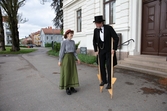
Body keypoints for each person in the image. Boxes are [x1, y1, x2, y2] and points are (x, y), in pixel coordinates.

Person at [93, 15, 119, 89]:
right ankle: (104, 80)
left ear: (101, 23)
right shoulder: (96, 30)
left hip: (108, 50)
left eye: (97, 23)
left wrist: (114, 48)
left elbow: (116, 38)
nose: (96, 25)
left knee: (109, 66)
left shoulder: (109, 28)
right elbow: (94, 41)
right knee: (101, 66)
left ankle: (110, 83)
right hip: (101, 51)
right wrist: (95, 50)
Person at [58, 29, 80, 95]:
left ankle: (72, 87)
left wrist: (77, 58)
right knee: (67, 72)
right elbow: (61, 52)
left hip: (72, 58)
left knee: (72, 72)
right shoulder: (64, 42)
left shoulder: (73, 42)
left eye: (72, 34)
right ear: (67, 34)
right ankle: (67, 88)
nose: (72, 35)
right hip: (66, 58)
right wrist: (60, 60)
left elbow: (74, 52)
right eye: (71, 34)